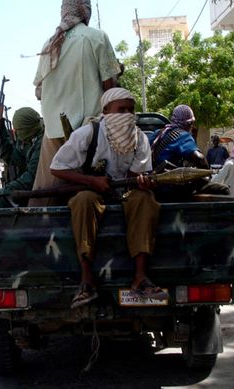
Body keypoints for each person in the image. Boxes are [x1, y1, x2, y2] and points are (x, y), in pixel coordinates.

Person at [50, 87, 168, 308]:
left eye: (130, 110)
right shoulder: (87, 134)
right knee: (83, 200)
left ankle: (140, 277)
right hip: (92, 193)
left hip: (124, 194)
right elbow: (57, 168)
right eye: (120, 109)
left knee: (145, 199)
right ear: (106, 110)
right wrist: (92, 182)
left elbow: (135, 176)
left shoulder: (140, 138)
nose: (126, 114)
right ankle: (86, 281)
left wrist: (142, 181)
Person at [29, 0, 121, 206]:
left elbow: (39, 92)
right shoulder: (96, 37)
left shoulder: (49, 44)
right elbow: (111, 88)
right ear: (85, 12)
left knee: (44, 199)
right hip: (90, 133)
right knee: (97, 196)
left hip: (53, 132)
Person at [0, 107, 44, 208]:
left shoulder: (42, 144)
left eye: (18, 131)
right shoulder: (31, 139)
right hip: (28, 192)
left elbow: (30, 178)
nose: (17, 134)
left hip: (34, 194)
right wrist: (1, 130)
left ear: (26, 129)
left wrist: (0, 192)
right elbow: (14, 158)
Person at [150, 104, 209, 170]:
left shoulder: (158, 133)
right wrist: (207, 176)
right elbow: (200, 159)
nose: (192, 126)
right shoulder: (183, 136)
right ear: (188, 124)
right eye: (192, 123)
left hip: (150, 177)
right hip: (167, 178)